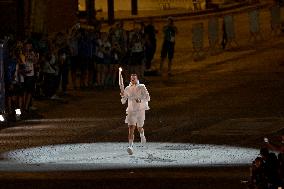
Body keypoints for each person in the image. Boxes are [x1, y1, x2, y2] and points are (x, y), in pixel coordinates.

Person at [120, 74, 150, 155]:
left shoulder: (142, 87)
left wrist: (140, 100)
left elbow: (147, 97)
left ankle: (142, 134)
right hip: (131, 111)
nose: (133, 80)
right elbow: (123, 101)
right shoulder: (127, 88)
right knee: (131, 128)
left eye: (134, 79)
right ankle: (130, 146)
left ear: (137, 79)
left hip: (140, 110)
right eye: (131, 79)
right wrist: (122, 95)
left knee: (139, 127)